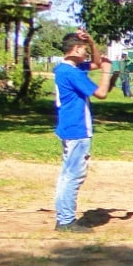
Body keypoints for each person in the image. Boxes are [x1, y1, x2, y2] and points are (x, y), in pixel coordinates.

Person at [53, 30, 113, 232]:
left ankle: (63, 217)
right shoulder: (72, 73)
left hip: (70, 128)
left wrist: (92, 42)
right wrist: (107, 71)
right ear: (76, 49)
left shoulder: (66, 69)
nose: (88, 54)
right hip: (77, 130)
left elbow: (95, 62)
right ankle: (66, 221)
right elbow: (102, 93)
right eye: (85, 50)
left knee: (67, 175)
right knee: (73, 176)